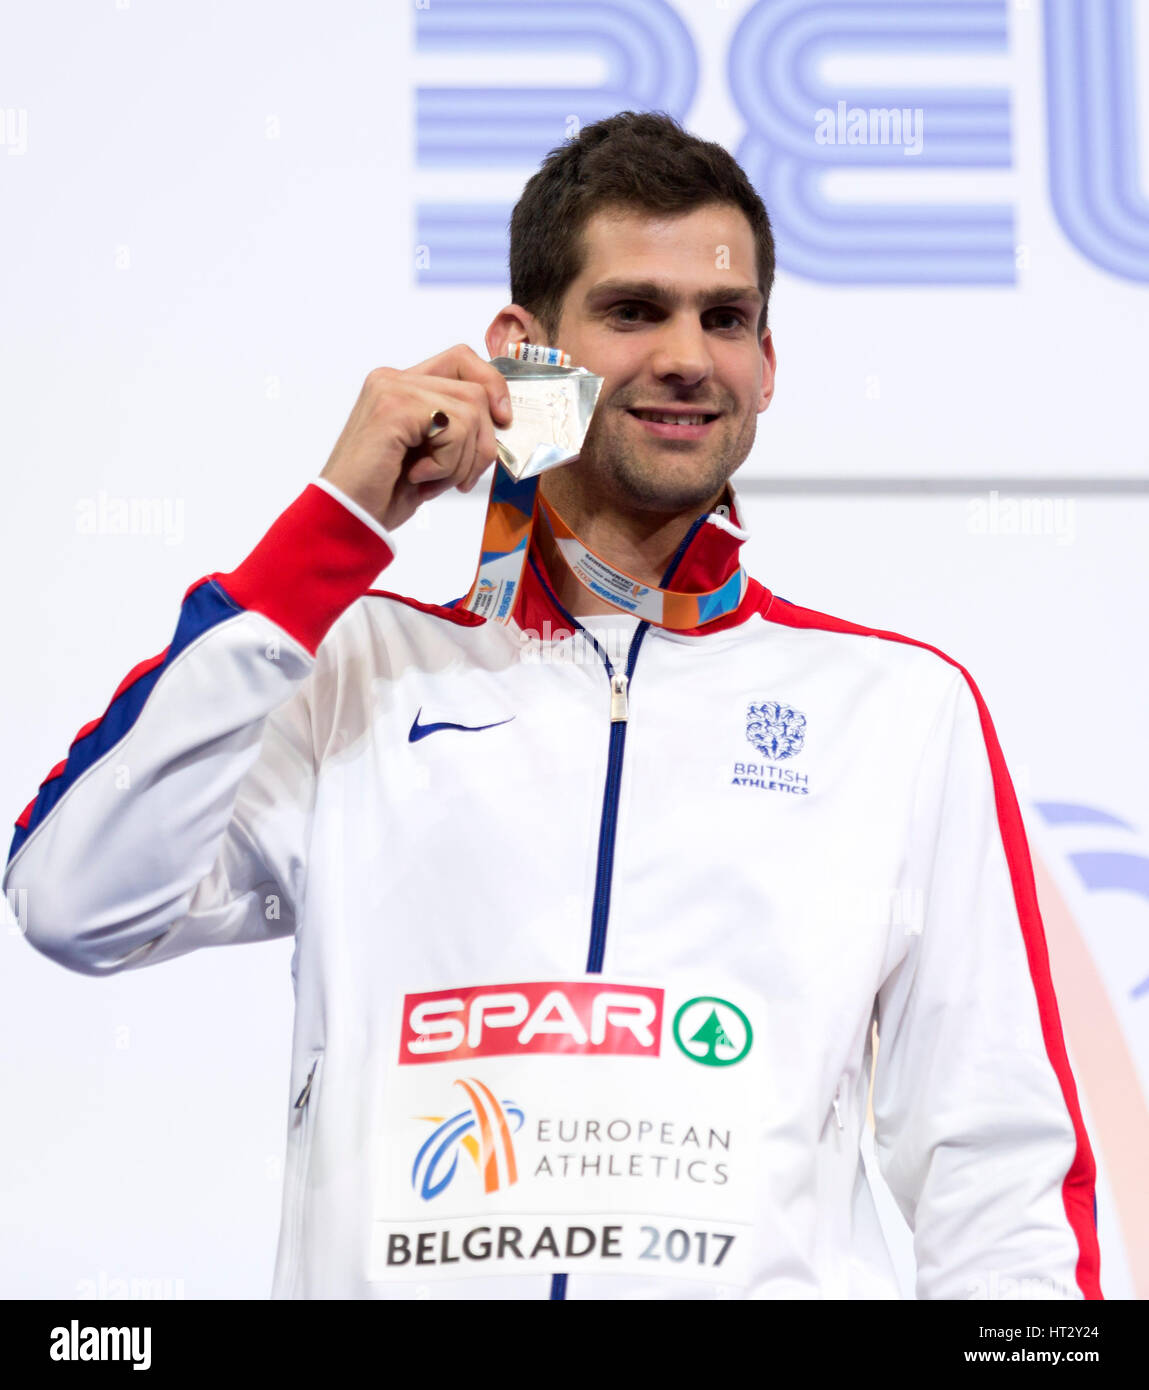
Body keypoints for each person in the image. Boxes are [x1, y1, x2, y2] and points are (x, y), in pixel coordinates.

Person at [4, 111, 1101, 1301]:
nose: (688, 356)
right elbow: (75, 897)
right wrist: (333, 526)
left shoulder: (896, 710)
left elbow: (1001, 1180)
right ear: (525, 353)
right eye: (634, 311)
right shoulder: (359, 671)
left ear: (769, 367)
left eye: (726, 320)